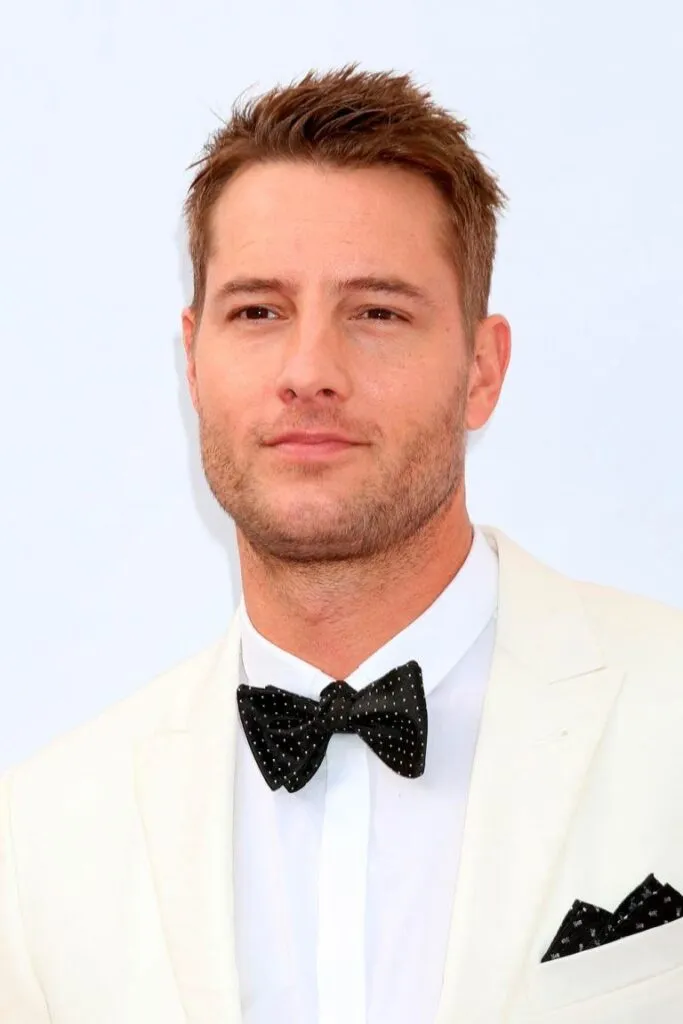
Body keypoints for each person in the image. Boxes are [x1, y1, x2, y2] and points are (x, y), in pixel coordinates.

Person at [1, 63, 682, 1024]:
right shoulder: (39, 843)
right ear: (192, 361)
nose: (309, 371)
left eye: (376, 312)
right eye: (258, 311)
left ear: (481, 370)